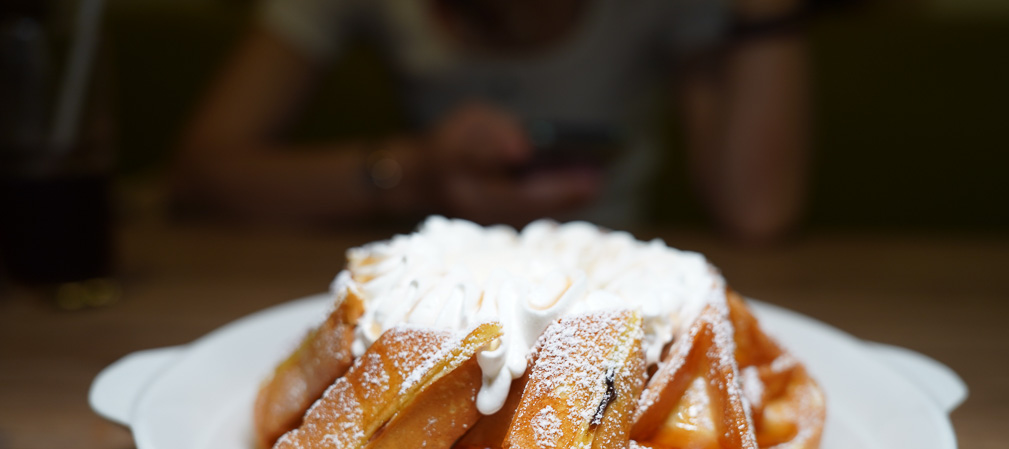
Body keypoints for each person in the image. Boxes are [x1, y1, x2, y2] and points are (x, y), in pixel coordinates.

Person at [171, 0, 811, 242]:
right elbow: (204, 169)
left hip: (619, 276)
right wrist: (418, 175)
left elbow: (757, 209)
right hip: (433, 265)